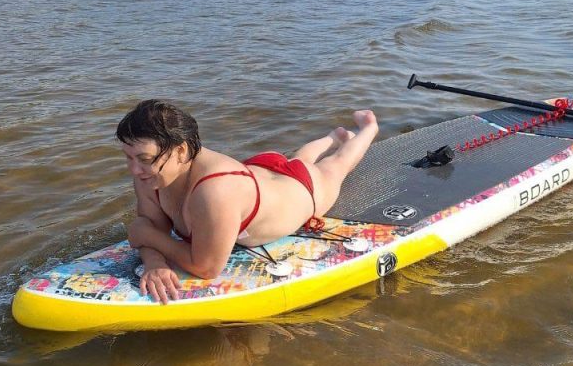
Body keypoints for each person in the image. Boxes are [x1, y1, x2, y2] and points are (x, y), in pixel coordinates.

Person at [116, 100, 379, 303]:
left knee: (337, 165)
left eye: (144, 159)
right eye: (128, 158)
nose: (134, 169)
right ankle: (333, 137)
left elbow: (206, 266)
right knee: (298, 159)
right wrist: (154, 262)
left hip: (300, 189)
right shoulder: (151, 175)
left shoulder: (215, 191)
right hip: (258, 172)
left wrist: (146, 237)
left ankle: (367, 128)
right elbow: (149, 225)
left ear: (181, 151)